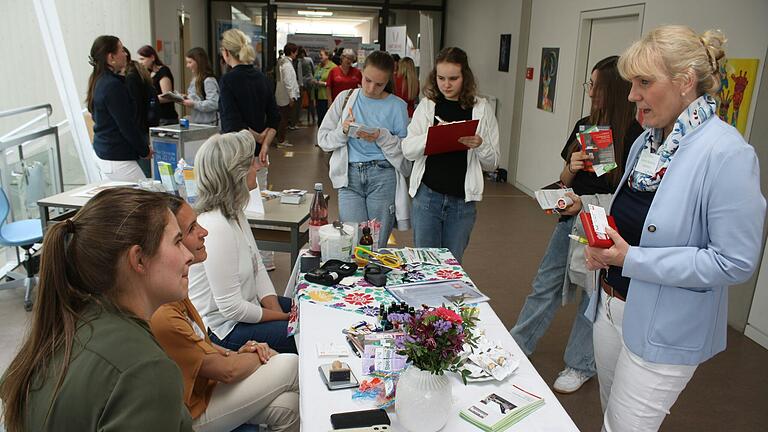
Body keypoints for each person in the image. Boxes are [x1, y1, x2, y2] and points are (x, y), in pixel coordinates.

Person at [581, 26, 765, 431]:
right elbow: (633, 217)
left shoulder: (727, 153)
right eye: (632, 83)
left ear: (684, 83)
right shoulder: (646, 143)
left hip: (666, 325)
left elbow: (733, 261)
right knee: (610, 416)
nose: (632, 95)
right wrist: (603, 242)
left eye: (644, 83)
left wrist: (631, 258)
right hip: (610, 306)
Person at [0, 188, 194, 431]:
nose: (188, 255)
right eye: (177, 242)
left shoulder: (64, 327)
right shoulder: (146, 371)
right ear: (139, 260)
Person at [509, 56, 643, 394]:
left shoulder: (636, 133)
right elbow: (565, 177)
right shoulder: (589, 123)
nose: (590, 91)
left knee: (591, 295)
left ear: (613, 89)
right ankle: (518, 344)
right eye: (590, 84)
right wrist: (573, 165)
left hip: (606, 225)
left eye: (596, 85)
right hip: (572, 220)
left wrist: (592, 198)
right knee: (545, 284)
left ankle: (581, 363)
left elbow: (626, 191)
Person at [151, 195, 299, 432]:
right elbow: (225, 370)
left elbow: (202, 345)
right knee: (291, 363)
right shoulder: (165, 311)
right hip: (189, 414)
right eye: (188, 231)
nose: (204, 232)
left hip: (204, 389)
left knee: (290, 406)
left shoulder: (176, 292)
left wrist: (241, 351)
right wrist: (260, 355)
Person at [189, 130, 297, 354]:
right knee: (302, 334)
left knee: (309, 310)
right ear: (234, 174)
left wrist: (278, 315)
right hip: (224, 331)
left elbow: (257, 268)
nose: (257, 167)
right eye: (250, 164)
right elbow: (231, 309)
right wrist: (282, 319)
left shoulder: (234, 211)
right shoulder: (215, 226)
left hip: (246, 311)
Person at [401, 47, 499, 262]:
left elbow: (492, 163)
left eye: (453, 78)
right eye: (441, 78)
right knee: (425, 264)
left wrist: (479, 145)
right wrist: (433, 136)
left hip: (462, 203)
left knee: (452, 267)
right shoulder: (428, 106)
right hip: (427, 198)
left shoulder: (482, 109)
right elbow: (407, 150)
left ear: (465, 77)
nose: (446, 84)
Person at [317, 51, 411, 248]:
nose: (371, 88)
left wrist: (382, 136)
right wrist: (343, 131)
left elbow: (405, 154)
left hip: (383, 176)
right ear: (360, 72)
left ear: (388, 81)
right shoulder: (345, 98)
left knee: (375, 244)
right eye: (367, 80)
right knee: (351, 242)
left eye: (379, 84)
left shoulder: (397, 106)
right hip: (349, 177)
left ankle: (374, 277)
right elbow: (324, 139)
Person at [218, 28, 279, 271]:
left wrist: (255, 135)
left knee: (235, 208)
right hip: (259, 157)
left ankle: (241, 262)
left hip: (236, 155)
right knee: (259, 206)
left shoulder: (228, 81)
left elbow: (232, 125)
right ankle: (265, 259)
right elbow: (274, 119)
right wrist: (263, 143)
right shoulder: (262, 78)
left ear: (226, 53)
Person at [86, 35, 150, 182]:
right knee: (145, 200)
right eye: (121, 50)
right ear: (111, 57)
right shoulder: (112, 86)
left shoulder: (99, 81)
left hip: (105, 154)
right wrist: (144, 150)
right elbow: (126, 124)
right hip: (117, 158)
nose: (125, 54)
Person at [121, 46, 156, 178]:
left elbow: (134, 108)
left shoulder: (130, 79)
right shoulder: (139, 73)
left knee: (144, 175)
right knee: (147, 173)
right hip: (146, 128)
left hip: (140, 130)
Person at [138, 44, 179, 125]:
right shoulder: (147, 72)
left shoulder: (163, 71)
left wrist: (148, 99)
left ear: (152, 58)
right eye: (139, 59)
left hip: (165, 117)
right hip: (153, 116)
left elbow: (167, 96)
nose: (140, 62)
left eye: (143, 59)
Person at [183, 47, 219, 126]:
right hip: (198, 122)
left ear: (198, 62)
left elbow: (214, 103)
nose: (187, 66)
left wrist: (194, 104)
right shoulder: (195, 79)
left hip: (209, 123)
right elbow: (198, 98)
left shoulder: (208, 80)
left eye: (190, 62)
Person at [275, 43, 300, 146]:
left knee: (283, 118)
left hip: (282, 95)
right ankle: (280, 140)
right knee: (284, 119)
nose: (296, 54)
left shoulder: (283, 62)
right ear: (292, 52)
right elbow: (288, 82)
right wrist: (291, 97)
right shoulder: (286, 64)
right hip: (285, 96)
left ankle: (280, 139)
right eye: (296, 52)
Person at [312, 48, 338, 126]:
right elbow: (315, 76)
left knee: (325, 120)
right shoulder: (319, 66)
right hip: (317, 96)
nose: (319, 56)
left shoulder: (333, 68)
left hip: (326, 97)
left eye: (321, 55)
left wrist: (323, 83)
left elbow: (335, 83)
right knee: (319, 119)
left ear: (327, 56)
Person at [296, 47, 316, 125]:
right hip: (310, 81)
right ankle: (313, 118)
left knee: (299, 101)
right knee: (311, 100)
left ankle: (298, 118)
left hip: (301, 82)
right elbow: (313, 70)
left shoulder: (297, 61)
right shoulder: (309, 59)